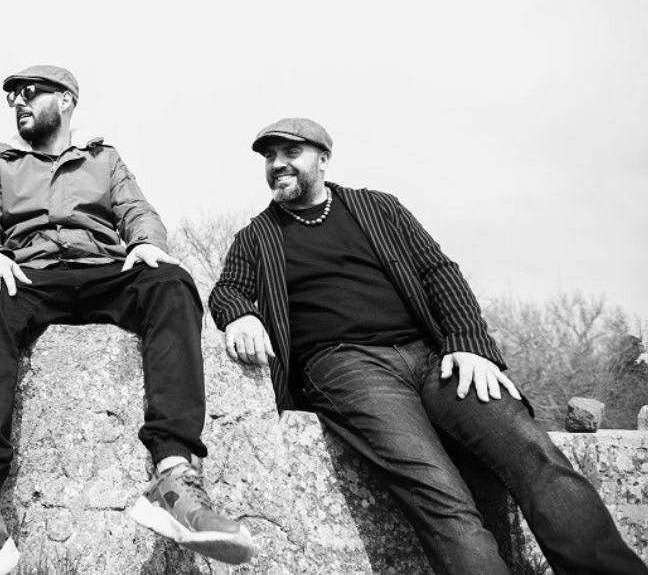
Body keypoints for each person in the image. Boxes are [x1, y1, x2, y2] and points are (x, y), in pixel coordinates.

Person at [209, 117, 647, 574]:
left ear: (323, 159)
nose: (277, 164)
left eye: (290, 153)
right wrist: (241, 314)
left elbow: (438, 270)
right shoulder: (256, 236)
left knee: (535, 454)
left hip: (433, 356)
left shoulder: (378, 207)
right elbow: (227, 290)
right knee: (438, 494)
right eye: (269, 157)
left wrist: (469, 343)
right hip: (346, 368)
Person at [0, 65, 254, 575]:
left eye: (31, 92)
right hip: (28, 273)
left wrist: (146, 242)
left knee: (172, 282)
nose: (19, 102)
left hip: (102, 270)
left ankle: (174, 478)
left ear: (67, 100)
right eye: (13, 96)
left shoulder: (104, 158)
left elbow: (136, 209)